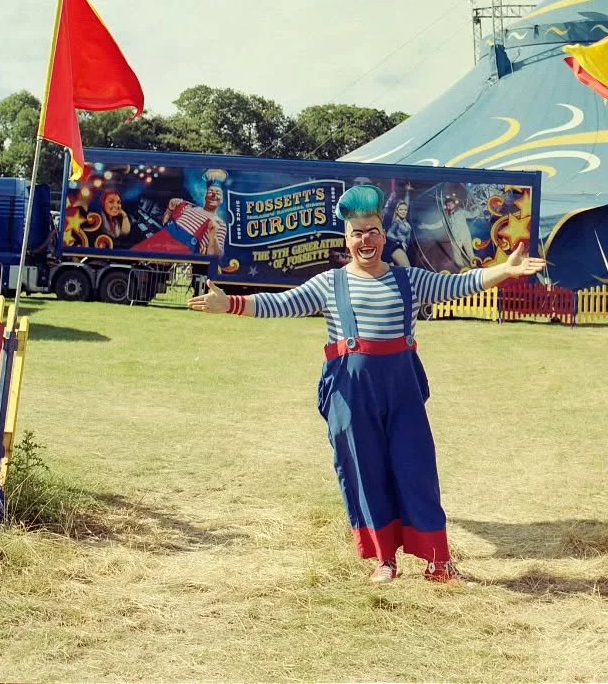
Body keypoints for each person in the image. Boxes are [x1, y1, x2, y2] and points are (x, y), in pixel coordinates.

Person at [189, 182, 546, 586]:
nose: (367, 240)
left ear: (384, 234)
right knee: (364, 471)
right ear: (347, 238)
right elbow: (281, 303)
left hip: (403, 388)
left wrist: (505, 270)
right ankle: (383, 560)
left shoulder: (411, 280)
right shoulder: (329, 284)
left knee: (417, 470)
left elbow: (459, 284)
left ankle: (438, 563)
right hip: (350, 392)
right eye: (358, 232)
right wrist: (230, 304)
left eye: (374, 231)